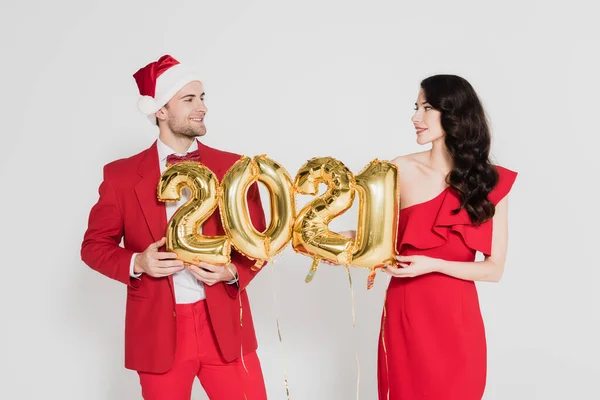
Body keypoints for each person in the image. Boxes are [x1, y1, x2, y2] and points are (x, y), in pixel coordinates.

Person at [81, 54, 268, 400]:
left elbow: (260, 240)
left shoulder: (234, 168)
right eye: (189, 99)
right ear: (160, 111)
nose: (202, 107)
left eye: (202, 97)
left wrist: (232, 272)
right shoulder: (121, 176)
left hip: (225, 328)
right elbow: (94, 247)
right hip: (157, 333)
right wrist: (137, 263)